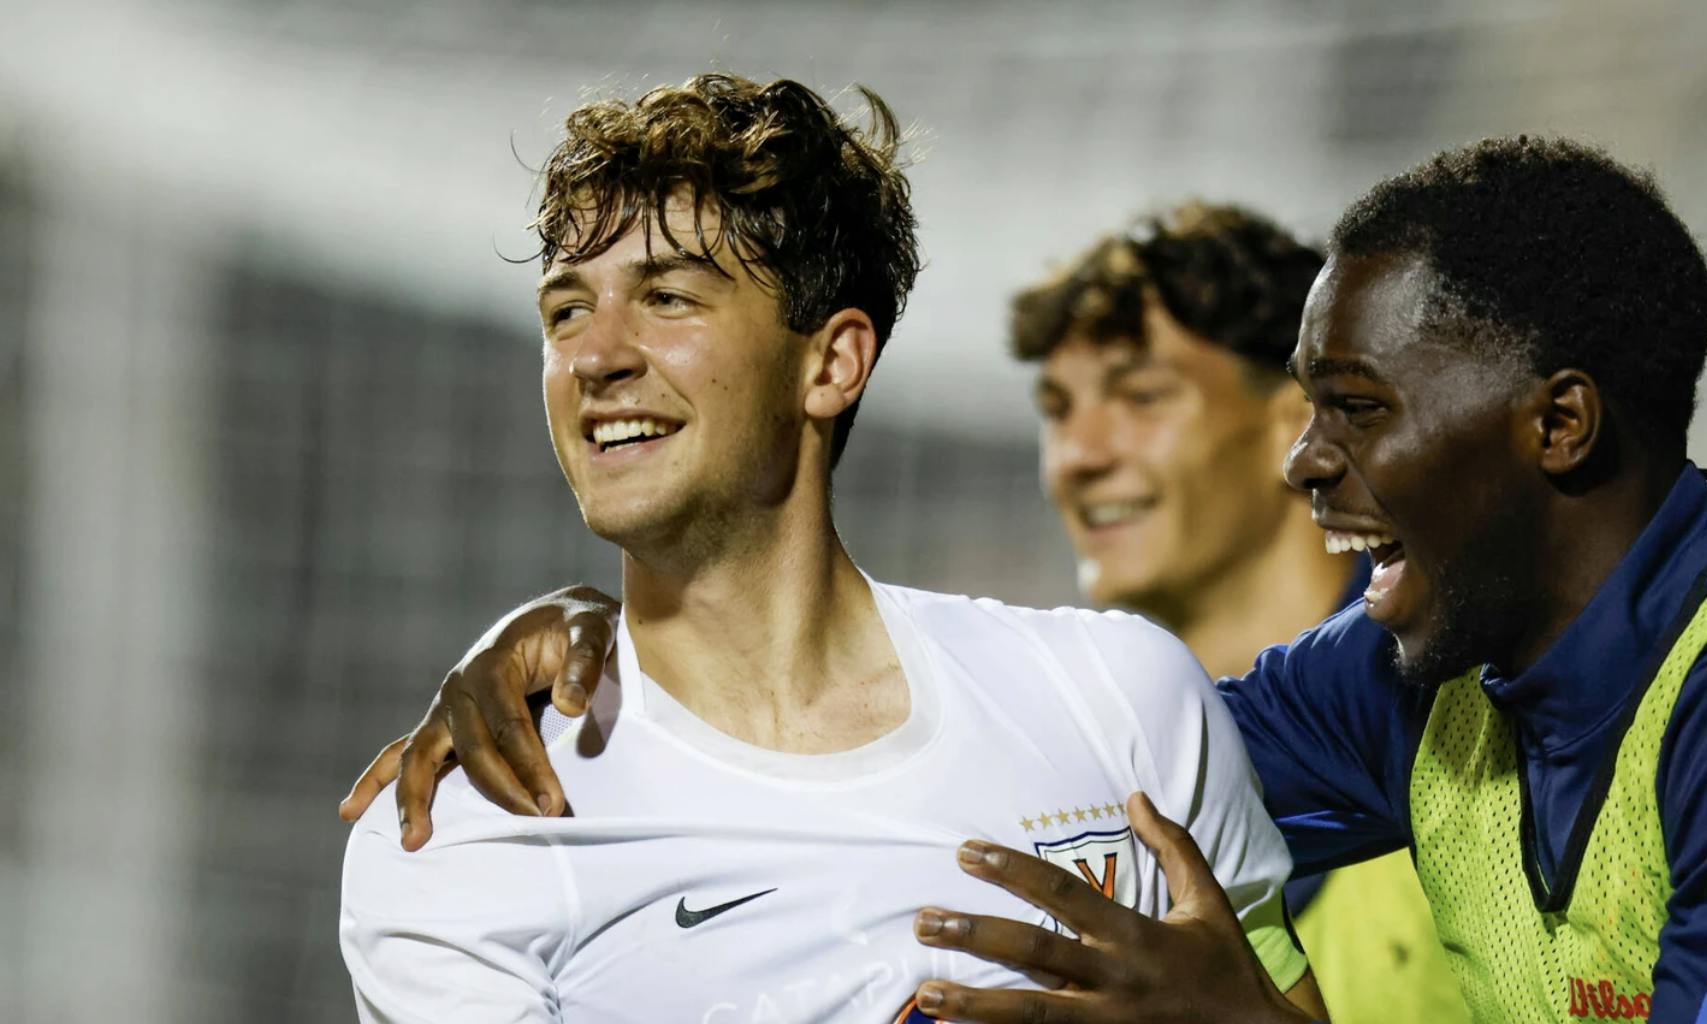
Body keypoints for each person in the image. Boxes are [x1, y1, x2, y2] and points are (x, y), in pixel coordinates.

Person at [350, 135, 1707, 1024]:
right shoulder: (1411, 684)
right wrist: (592, 632)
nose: (1307, 464)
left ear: (1556, 423)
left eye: (1353, 410)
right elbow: (1038, 758)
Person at [335, 73, 1321, 1024]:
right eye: (565, 310)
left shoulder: (1124, 700)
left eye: (668, 297)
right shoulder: (462, 827)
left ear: (831, 361)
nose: (595, 356)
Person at [1009, 200, 1466, 1024]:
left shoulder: (1465, 704)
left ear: (1294, 424)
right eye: (1056, 410)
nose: (1078, 456)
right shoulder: (1087, 766)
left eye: (1142, 397)